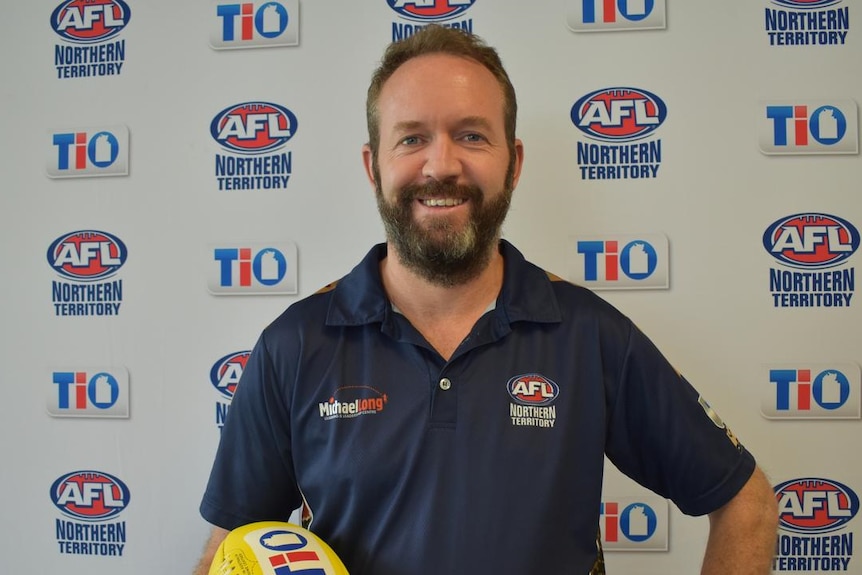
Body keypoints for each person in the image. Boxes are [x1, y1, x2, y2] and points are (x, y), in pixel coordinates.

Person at [194, 25, 778, 575]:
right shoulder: (294, 345)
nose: (441, 164)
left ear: (513, 163)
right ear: (374, 167)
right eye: (412, 138)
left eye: (471, 135)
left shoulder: (588, 334)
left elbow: (745, 503)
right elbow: (232, 548)